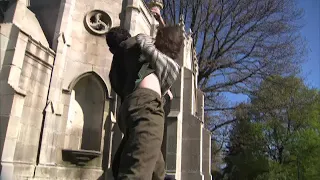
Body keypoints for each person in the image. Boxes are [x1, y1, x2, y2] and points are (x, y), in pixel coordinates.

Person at [106, 25, 184, 179]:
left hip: (127, 111)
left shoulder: (115, 68)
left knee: (156, 171)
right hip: (147, 106)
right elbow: (170, 39)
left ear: (111, 50)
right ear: (128, 36)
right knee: (137, 174)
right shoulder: (138, 42)